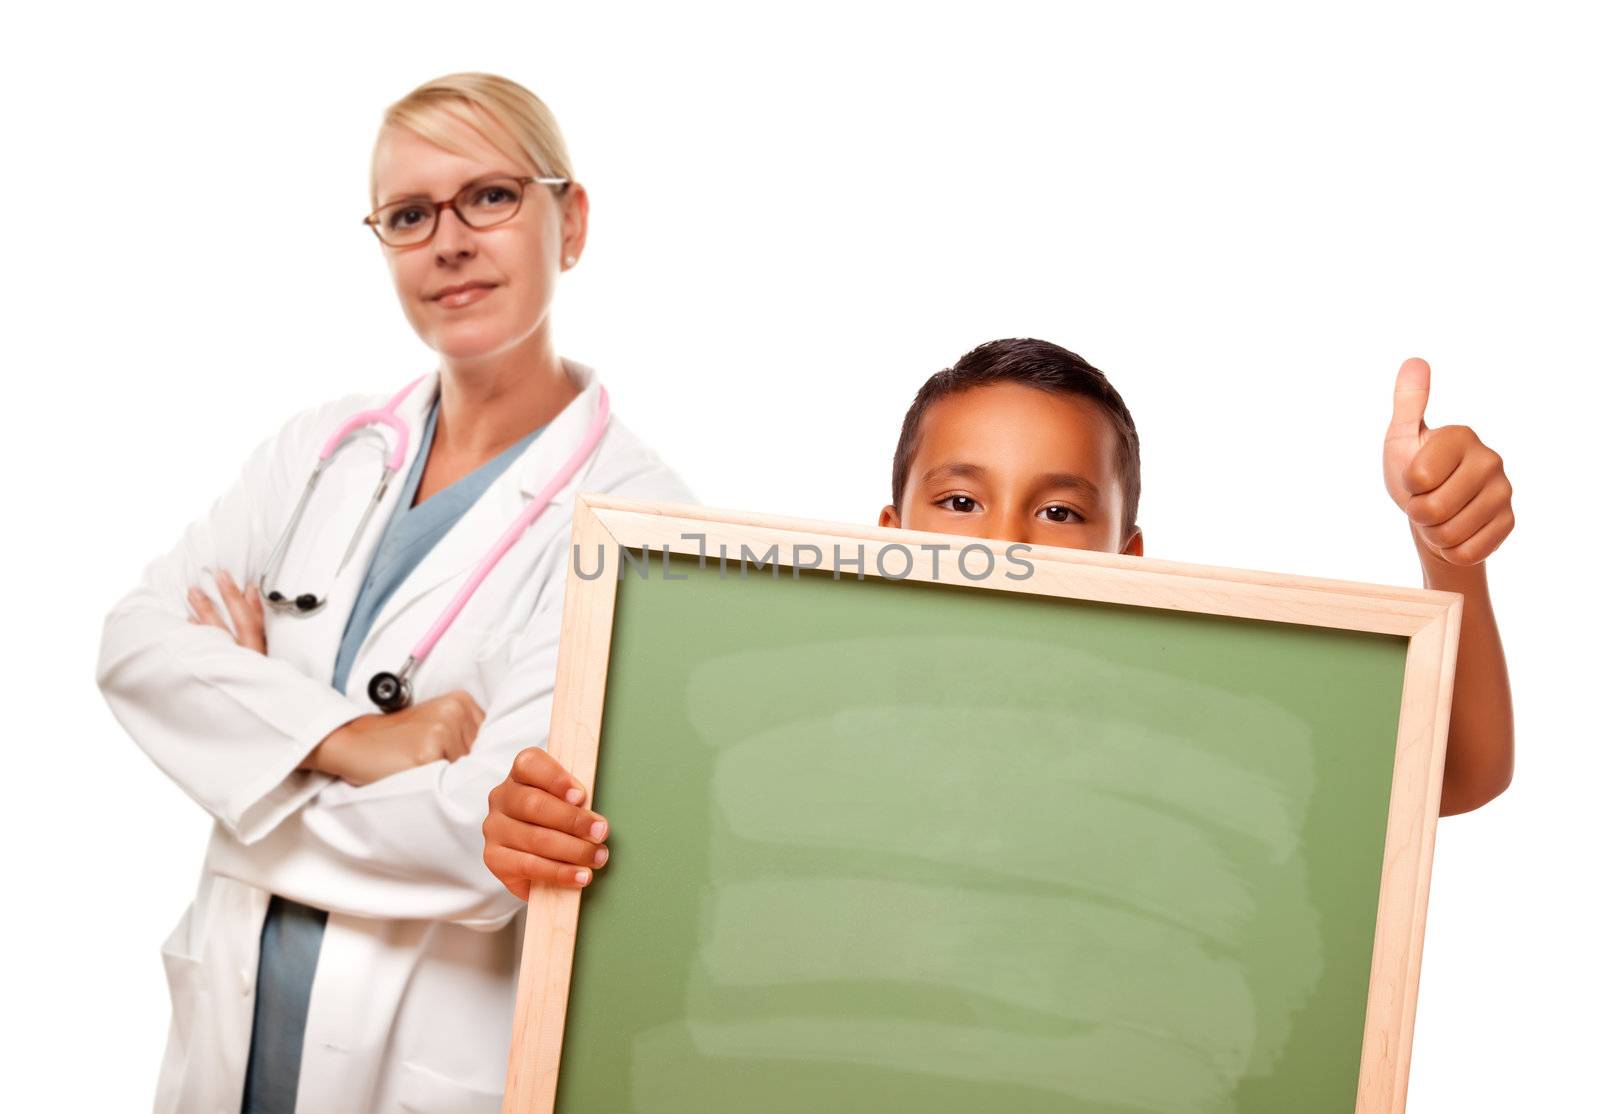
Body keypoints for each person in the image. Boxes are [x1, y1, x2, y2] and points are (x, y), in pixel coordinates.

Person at [96, 72, 684, 1114]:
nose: (449, 241)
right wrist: (352, 740)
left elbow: (478, 845)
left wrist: (241, 757)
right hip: (225, 1048)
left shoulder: (636, 517)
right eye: (410, 215)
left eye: (490, 197)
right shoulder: (321, 450)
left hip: (425, 1066)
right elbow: (136, 646)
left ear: (572, 220)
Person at [482, 338, 1514, 905]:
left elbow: (1459, 769)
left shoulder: (1197, 736)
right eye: (961, 500)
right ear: (889, 532)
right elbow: (618, 857)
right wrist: (535, 833)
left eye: (1061, 511)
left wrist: (1448, 552)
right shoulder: (763, 737)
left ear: (1130, 556)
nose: (1009, 543)